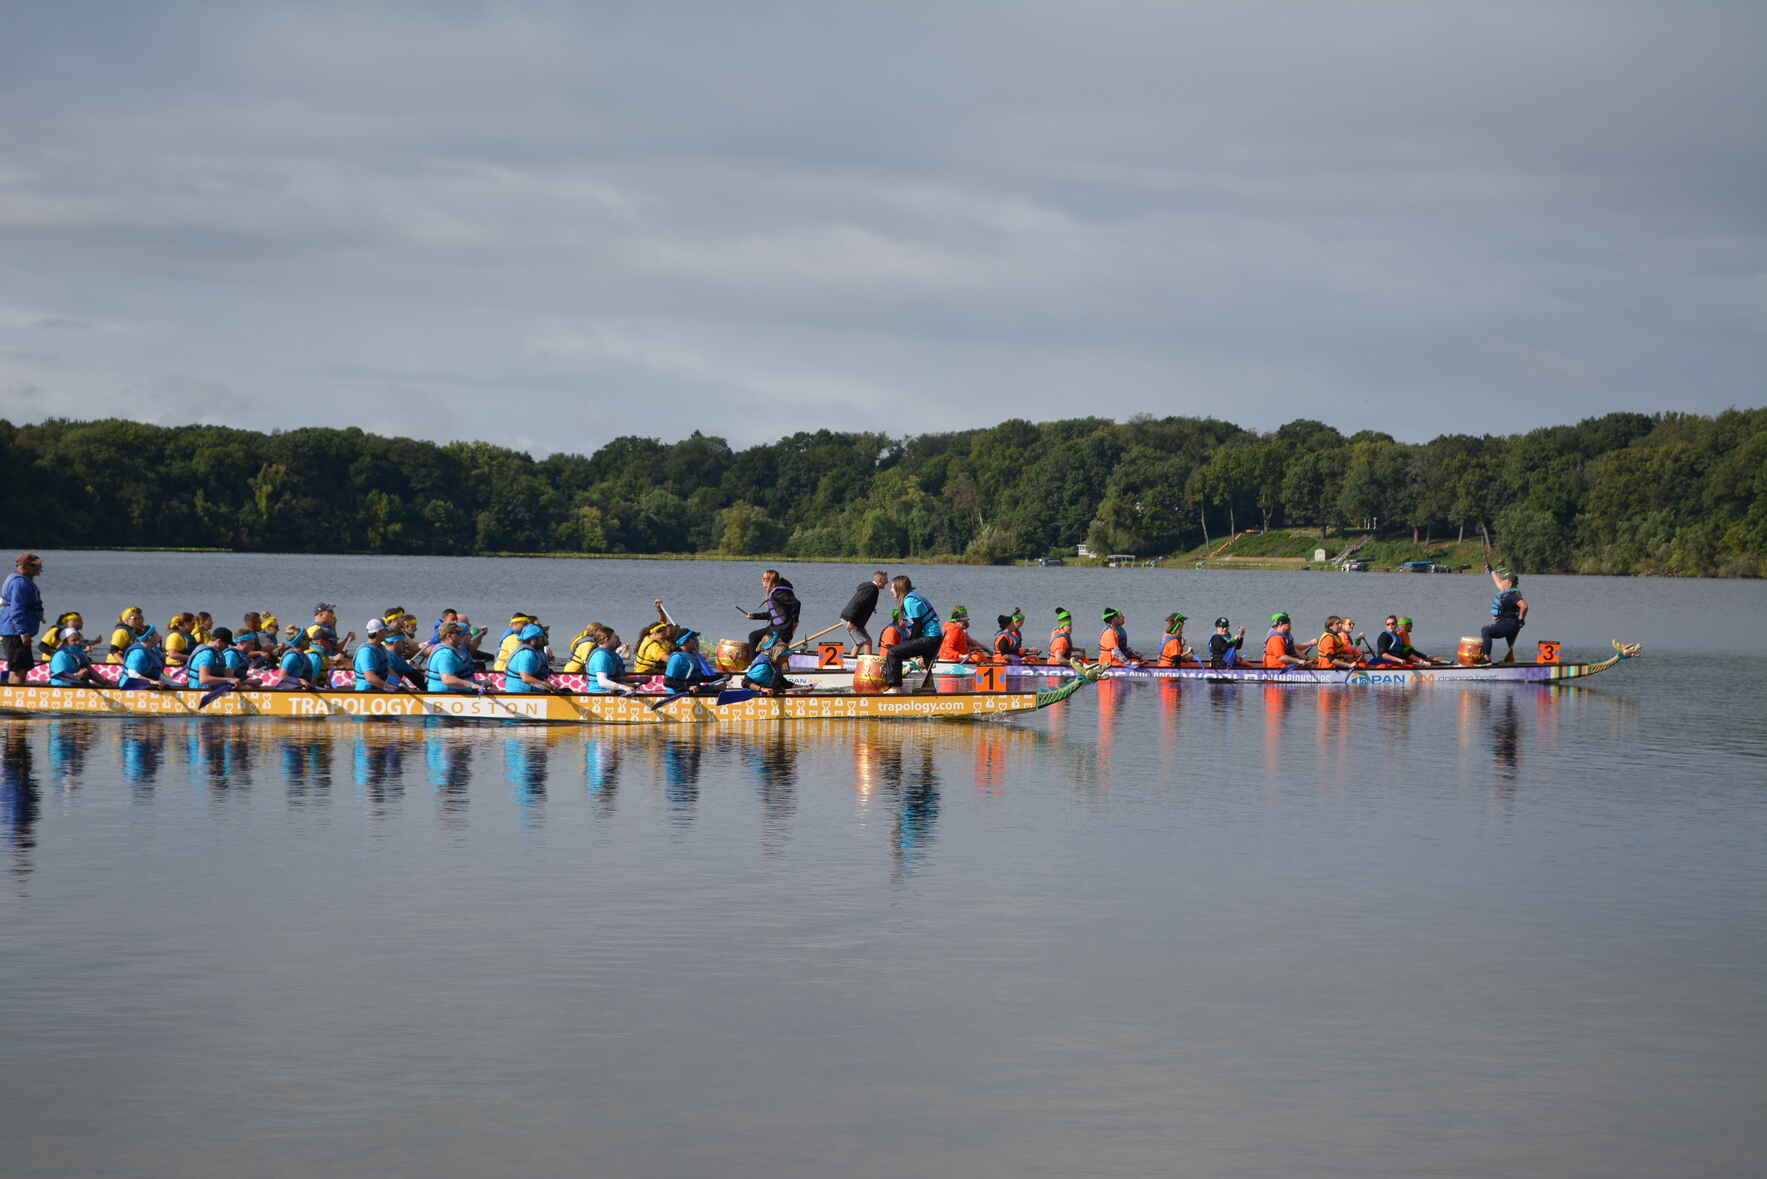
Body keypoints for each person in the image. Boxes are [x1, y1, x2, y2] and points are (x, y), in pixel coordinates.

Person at [882, 575, 942, 691]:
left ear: (899, 588)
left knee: (893, 652)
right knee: (926, 661)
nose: (890, 590)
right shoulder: (913, 597)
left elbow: (917, 624)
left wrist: (911, 642)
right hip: (933, 638)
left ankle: (895, 688)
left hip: (930, 638)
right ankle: (929, 688)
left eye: (892, 587)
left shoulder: (909, 600)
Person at [1, 552, 45, 685]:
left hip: (15, 630)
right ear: (25, 566)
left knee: (20, 667)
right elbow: (16, 610)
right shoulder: (19, 584)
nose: (40, 568)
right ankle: (14, 697)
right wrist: (23, 632)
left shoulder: (21, 580)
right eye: (36, 566)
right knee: (19, 669)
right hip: (15, 632)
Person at [742, 569, 800, 652]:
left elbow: (796, 603)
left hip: (781, 629)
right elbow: (774, 614)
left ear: (769, 580)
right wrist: (754, 616)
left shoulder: (778, 593)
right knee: (755, 636)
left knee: (753, 636)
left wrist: (795, 622)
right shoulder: (776, 592)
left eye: (763, 578)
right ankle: (759, 660)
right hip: (776, 627)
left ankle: (753, 664)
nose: (762, 580)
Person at [1481, 567, 1528, 663]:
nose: (1501, 582)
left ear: (1509, 582)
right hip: (1509, 623)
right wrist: (1492, 571)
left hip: (1510, 624)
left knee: (1486, 631)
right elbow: (1498, 582)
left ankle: (1486, 657)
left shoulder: (1513, 595)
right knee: (1510, 645)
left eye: (1504, 580)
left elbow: (1524, 606)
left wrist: (1521, 619)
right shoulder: (1506, 591)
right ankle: (1511, 662)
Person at [425, 623, 483, 694]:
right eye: (458, 633)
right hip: (444, 696)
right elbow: (448, 679)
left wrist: (478, 683)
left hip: (458, 693)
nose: (462, 635)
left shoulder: (456, 650)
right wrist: (472, 685)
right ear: (449, 636)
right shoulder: (444, 654)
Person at [841, 571, 888, 655]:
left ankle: (851, 661)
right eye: (885, 580)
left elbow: (864, 602)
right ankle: (868, 665)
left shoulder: (871, 588)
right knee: (867, 642)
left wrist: (871, 607)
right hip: (850, 620)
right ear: (880, 581)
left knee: (859, 643)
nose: (887, 582)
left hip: (854, 621)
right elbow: (857, 603)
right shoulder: (871, 589)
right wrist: (850, 621)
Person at [501, 623, 555, 693]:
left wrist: (550, 687)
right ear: (533, 640)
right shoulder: (526, 654)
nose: (543, 640)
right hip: (520, 693)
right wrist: (549, 686)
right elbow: (526, 678)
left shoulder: (534, 652)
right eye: (541, 638)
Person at [584, 626, 637, 696]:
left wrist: (635, 682)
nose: (617, 639)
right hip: (600, 693)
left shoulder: (608, 653)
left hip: (610, 692)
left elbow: (614, 678)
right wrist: (624, 687)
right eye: (614, 637)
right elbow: (602, 682)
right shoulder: (601, 655)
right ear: (606, 639)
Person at [632, 602, 678, 675]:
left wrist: (660, 610)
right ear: (655, 633)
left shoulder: (652, 635)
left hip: (655, 672)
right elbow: (668, 659)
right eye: (665, 633)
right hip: (646, 675)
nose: (667, 635)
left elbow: (662, 621)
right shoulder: (653, 646)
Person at [353, 620, 396, 691]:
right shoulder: (366, 652)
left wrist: (397, 683)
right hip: (367, 692)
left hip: (379, 689)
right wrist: (390, 689)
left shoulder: (380, 647)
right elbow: (370, 678)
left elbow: (387, 669)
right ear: (378, 632)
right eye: (385, 630)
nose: (387, 633)